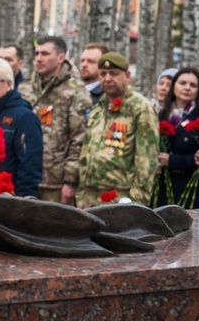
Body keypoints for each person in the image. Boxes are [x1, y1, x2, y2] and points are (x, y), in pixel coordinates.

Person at [76, 51, 160, 207]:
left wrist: (137, 202)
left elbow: (147, 160)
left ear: (127, 76)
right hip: (88, 198)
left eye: (113, 73)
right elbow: (86, 153)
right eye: (103, 74)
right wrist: (81, 195)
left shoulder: (140, 108)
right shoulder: (98, 109)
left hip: (120, 199)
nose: (107, 79)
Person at [18, 36, 92, 205]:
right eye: (37, 53)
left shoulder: (75, 92)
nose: (39, 59)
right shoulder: (26, 88)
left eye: (45, 54)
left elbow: (80, 139)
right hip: (26, 177)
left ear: (60, 57)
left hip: (55, 182)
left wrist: (70, 181)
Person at [0, 56, 44, 198]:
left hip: (12, 196)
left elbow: (30, 166)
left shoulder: (24, 117)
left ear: (8, 84)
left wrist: (23, 202)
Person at [153, 68, 199, 208]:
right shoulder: (162, 114)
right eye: (182, 83)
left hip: (190, 187)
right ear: (174, 86)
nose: (187, 88)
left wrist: (172, 160)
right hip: (162, 185)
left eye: (193, 85)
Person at [80, 43, 109, 107]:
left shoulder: (108, 96)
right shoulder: (71, 90)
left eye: (91, 61)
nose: (84, 65)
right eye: (82, 61)